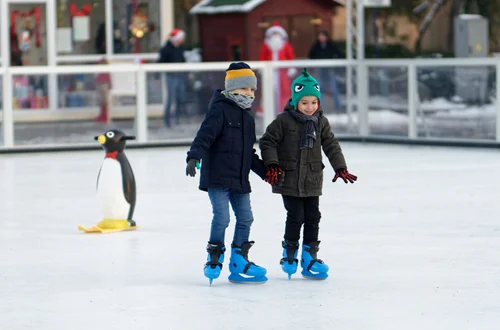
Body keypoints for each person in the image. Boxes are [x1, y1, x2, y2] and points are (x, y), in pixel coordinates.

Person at [259, 68, 357, 280]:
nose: (310, 107)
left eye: (314, 102)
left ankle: (309, 255)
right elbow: (267, 141)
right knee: (296, 216)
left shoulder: (321, 121)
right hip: (289, 177)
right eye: (304, 103)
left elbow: (331, 144)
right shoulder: (283, 120)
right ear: (295, 102)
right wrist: (273, 164)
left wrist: (340, 167)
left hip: (312, 177)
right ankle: (290, 252)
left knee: (313, 216)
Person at [185, 62, 268, 285]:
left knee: (246, 218)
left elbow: (249, 153)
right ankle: (214, 254)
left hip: (239, 179)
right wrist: (194, 156)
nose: (250, 94)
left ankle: (239, 259)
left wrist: (266, 173)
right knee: (222, 217)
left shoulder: (248, 119)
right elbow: (204, 136)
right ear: (232, 89)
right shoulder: (219, 110)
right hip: (218, 177)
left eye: (252, 90)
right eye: (245, 89)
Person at [258, 22, 297, 115]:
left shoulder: (286, 45)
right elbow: (262, 57)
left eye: (277, 34)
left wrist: (291, 68)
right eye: (274, 34)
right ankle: (264, 110)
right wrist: (262, 68)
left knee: (284, 90)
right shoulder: (265, 45)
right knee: (268, 90)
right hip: (269, 71)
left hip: (282, 71)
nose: (275, 36)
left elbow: (290, 57)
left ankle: (285, 109)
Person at [158, 28, 186, 127]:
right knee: (170, 98)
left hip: (180, 76)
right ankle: (167, 120)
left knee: (180, 97)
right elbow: (160, 62)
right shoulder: (166, 49)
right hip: (170, 76)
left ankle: (177, 118)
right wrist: (157, 76)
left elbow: (183, 61)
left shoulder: (180, 48)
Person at [308, 30, 342, 111]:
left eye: (322, 36)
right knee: (319, 89)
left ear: (326, 37)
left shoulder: (331, 45)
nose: (321, 37)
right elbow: (311, 56)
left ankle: (338, 106)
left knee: (334, 88)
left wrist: (335, 62)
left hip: (329, 71)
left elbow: (338, 54)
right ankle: (319, 107)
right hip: (319, 71)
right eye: (320, 36)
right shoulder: (316, 46)